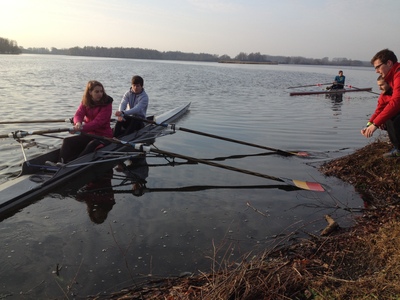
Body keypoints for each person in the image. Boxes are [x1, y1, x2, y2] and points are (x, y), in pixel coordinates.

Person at [54, 80, 113, 164]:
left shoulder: (107, 104)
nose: (100, 94)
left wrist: (80, 128)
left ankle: (72, 164)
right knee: (67, 141)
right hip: (89, 134)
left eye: (101, 91)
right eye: (97, 91)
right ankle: (60, 163)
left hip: (104, 136)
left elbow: (98, 122)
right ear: (90, 92)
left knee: (91, 145)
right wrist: (78, 123)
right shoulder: (85, 102)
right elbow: (78, 114)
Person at [362, 49, 400, 157]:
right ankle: (397, 148)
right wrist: (370, 124)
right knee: (387, 117)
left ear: (389, 63)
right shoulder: (393, 76)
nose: (376, 71)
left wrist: (375, 124)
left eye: (378, 67)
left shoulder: (398, 75)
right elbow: (381, 108)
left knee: (393, 117)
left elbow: (396, 102)